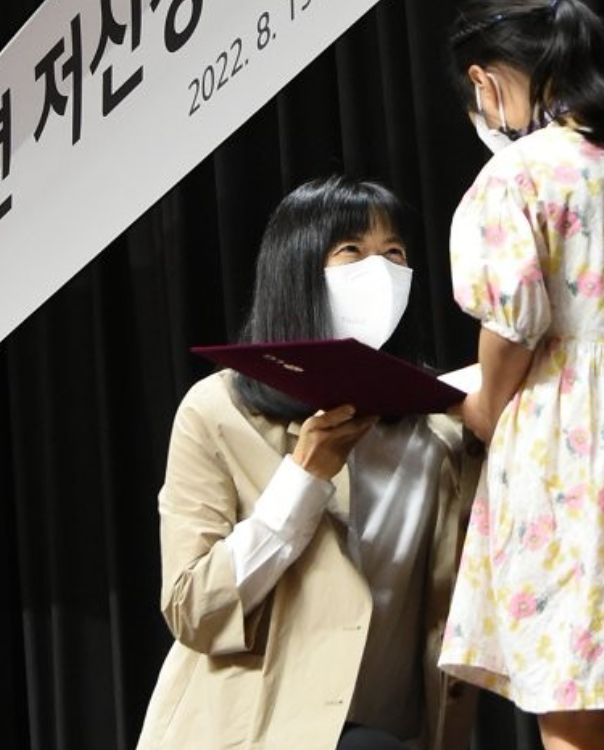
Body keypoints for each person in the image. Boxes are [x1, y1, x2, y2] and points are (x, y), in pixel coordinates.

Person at [136, 176, 482, 750]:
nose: (380, 271)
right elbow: (193, 608)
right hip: (251, 733)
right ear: (297, 270)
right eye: (351, 250)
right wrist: (302, 479)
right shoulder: (219, 410)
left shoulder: (439, 428)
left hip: (392, 733)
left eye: (394, 253)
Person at [437, 0, 604, 750]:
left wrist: (483, 406)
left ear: (484, 82)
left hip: (571, 453)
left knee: (573, 701)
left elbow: (514, 320)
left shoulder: (519, 174)